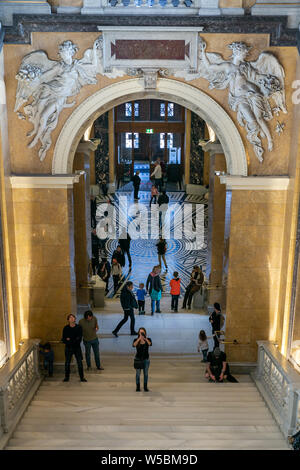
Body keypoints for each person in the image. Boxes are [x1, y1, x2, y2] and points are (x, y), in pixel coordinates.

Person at [61, 313, 87, 382]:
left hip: (77, 348)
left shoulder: (79, 327)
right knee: (67, 363)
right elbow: (63, 339)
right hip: (68, 348)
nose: (72, 318)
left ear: (75, 319)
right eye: (70, 318)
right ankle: (66, 377)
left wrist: (69, 339)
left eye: (73, 317)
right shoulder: (66, 328)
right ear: (68, 320)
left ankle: (82, 377)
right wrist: (73, 339)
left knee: (80, 363)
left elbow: (79, 339)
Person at [133, 327, 152, 392]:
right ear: (138, 333)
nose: (141, 334)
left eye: (142, 332)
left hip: (146, 360)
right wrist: (139, 339)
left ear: (145, 333)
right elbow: (134, 345)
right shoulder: (136, 340)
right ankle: (138, 387)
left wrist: (145, 339)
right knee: (138, 374)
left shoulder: (148, 339)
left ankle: (145, 387)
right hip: (138, 359)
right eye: (140, 332)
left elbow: (150, 344)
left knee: (146, 374)